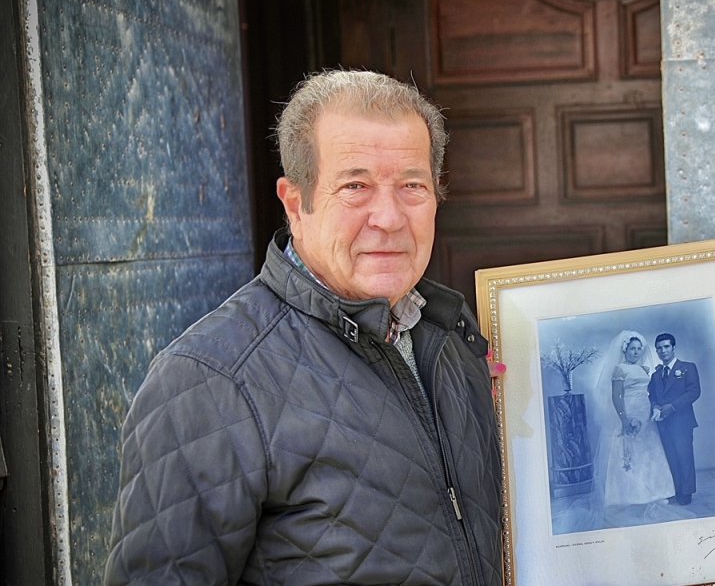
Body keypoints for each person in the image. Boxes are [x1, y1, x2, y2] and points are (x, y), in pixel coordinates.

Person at [104, 70, 502, 585]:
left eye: (412, 186)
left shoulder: (455, 341)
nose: (389, 217)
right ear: (296, 203)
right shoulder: (209, 379)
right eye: (355, 186)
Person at [590, 330, 675, 519]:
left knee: (649, 451)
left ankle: (655, 491)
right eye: (632, 349)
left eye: (639, 349)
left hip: (645, 412)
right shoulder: (620, 369)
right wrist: (624, 419)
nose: (636, 352)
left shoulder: (644, 369)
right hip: (628, 411)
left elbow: (649, 392)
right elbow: (616, 396)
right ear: (625, 350)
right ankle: (627, 495)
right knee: (628, 451)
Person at [646, 332, 701, 506]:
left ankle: (686, 492)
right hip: (663, 422)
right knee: (670, 456)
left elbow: (694, 391)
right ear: (656, 350)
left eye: (666, 347)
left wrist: (673, 406)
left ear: (673, 348)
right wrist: (655, 405)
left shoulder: (687, 367)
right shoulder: (656, 375)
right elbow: (652, 395)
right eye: (659, 348)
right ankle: (675, 489)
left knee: (684, 456)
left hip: (681, 421)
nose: (663, 351)